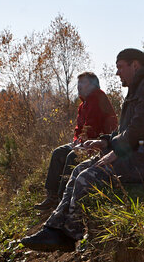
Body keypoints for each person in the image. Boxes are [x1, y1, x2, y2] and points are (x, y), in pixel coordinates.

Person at [21, 48, 144, 251]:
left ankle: (71, 233)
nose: (117, 73)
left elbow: (141, 126)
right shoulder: (138, 88)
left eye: (120, 67)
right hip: (140, 154)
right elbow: (126, 129)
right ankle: (54, 229)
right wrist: (105, 141)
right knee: (78, 170)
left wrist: (117, 150)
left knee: (86, 177)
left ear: (135, 65)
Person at [34, 72, 118, 210]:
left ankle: (63, 200)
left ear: (93, 85)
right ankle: (52, 196)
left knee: (72, 156)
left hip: (102, 142)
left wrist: (79, 144)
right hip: (84, 141)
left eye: (83, 83)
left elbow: (93, 127)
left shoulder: (97, 98)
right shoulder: (83, 104)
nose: (78, 86)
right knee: (58, 152)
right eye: (78, 83)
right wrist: (75, 141)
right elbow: (79, 129)